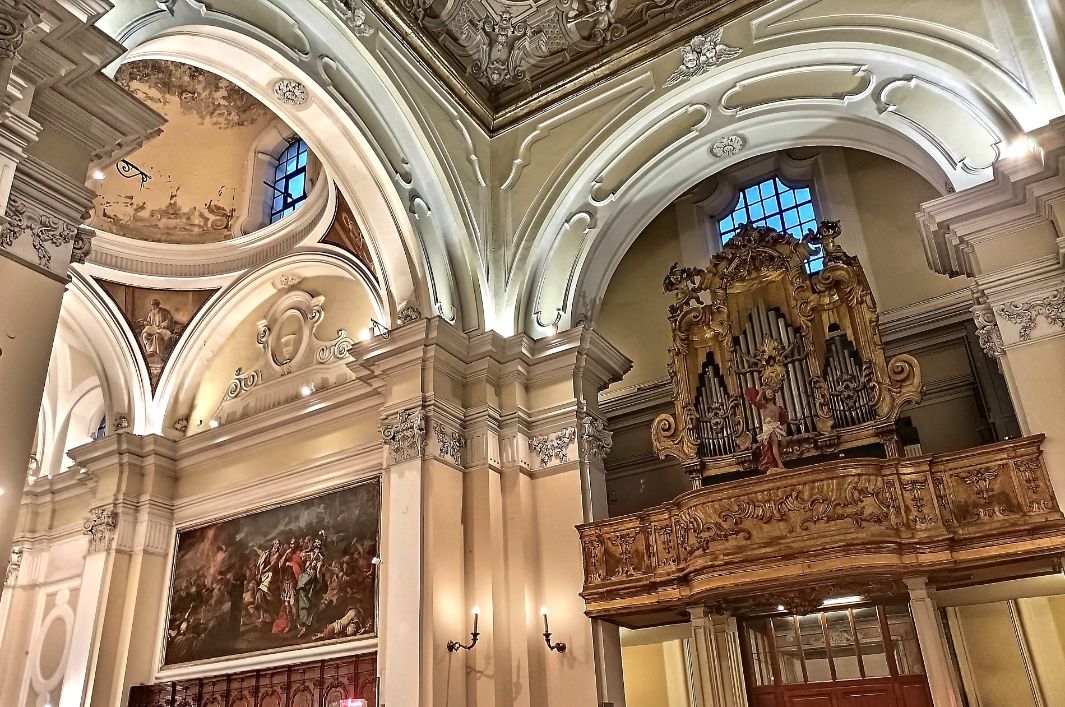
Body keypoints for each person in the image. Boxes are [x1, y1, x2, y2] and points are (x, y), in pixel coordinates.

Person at [746, 385, 789, 471]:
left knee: (784, 443)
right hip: (769, 427)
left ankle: (777, 459)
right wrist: (761, 392)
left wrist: (795, 422)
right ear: (765, 395)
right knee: (775, 443)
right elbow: (757, 401)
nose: (770, 394)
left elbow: (785, 419)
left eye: (771, 393)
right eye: (768, 393)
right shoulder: (764, 405)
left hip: (777, 426)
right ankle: (779, 464)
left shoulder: (778, 408)